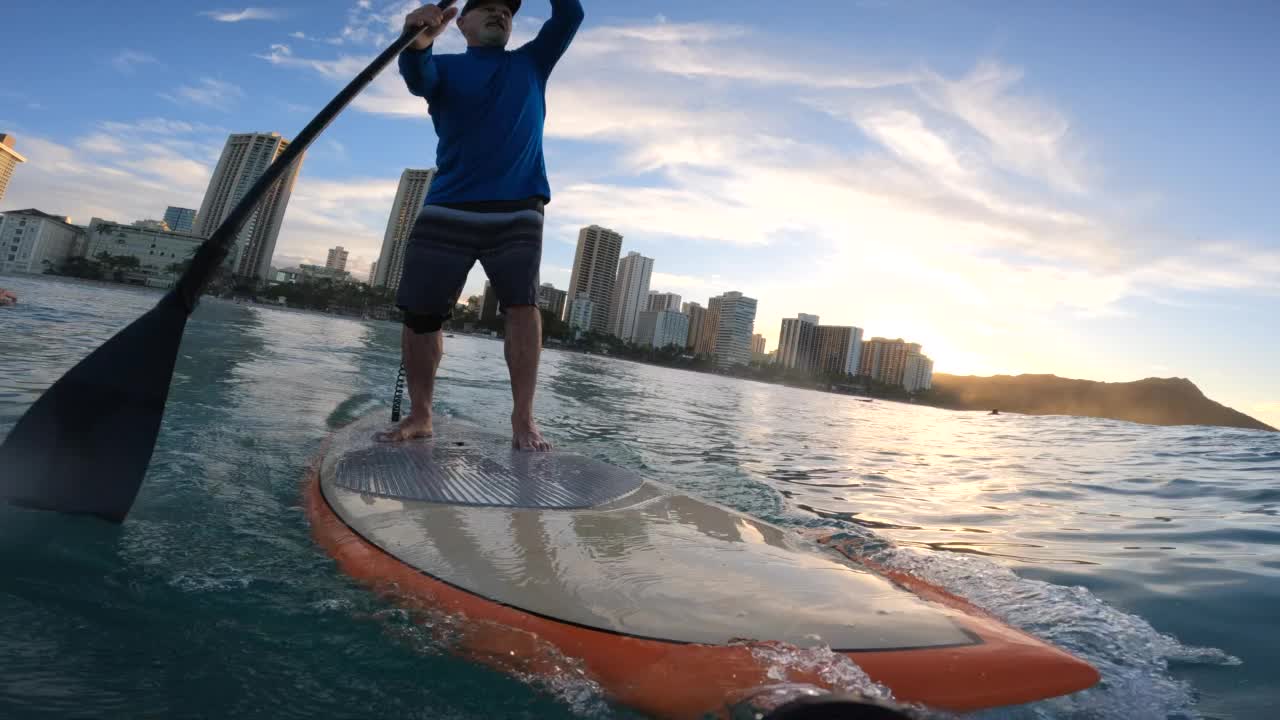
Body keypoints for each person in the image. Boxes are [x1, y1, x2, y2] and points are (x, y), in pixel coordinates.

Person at [379, 0, 583, 451]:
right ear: (461, 23)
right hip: (449, 205)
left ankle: (523, 421)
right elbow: (417, 76)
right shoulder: (445, 67)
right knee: (421, 315)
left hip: (518, 208)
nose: (500, 14)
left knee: (521, 307)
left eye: (507, 11)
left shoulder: (532, 62)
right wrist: (420, 38)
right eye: (486, 8)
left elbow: (569, 16)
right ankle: (421, 414)